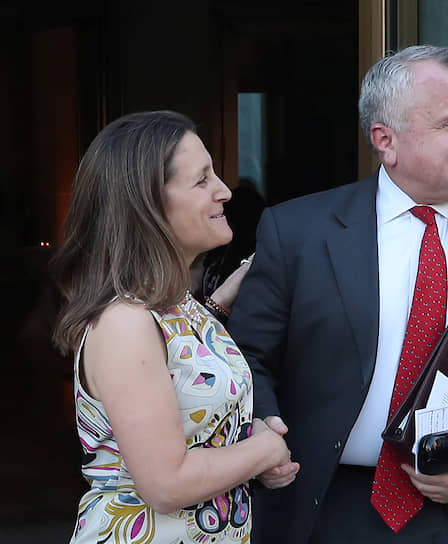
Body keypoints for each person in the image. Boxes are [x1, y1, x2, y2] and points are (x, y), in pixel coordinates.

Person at [227, 45, 448, 544]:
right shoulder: (298, 231)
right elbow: (247, 357)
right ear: (386, 140)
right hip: (327, 508)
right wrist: (261, 432)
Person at [50, 111, 299, 544]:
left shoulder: (174, 306)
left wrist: (220, 303)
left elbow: (182, 364)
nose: (224, 191)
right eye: (202, 180)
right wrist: (264, 449)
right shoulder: (125, 322)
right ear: (147, 204)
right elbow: (167, 484)